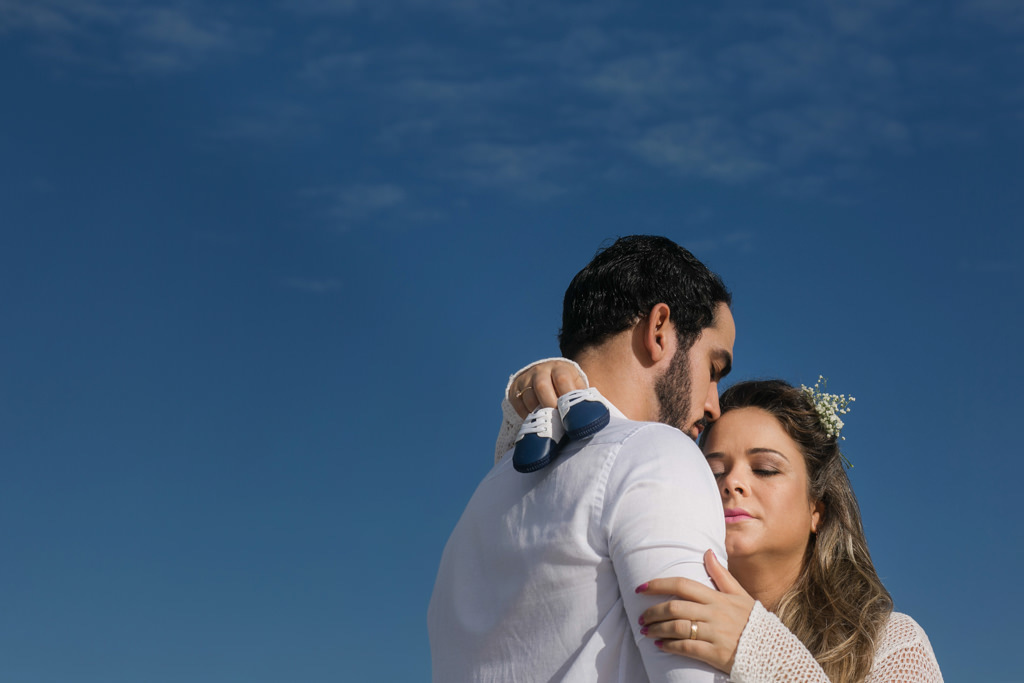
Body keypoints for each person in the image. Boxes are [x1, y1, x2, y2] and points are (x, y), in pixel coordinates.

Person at [428, 235, 737, 682]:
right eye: (714, 368)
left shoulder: (482, 503)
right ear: (659, 330)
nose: (714, 405)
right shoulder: (657, 455)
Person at [499, 372, 943, 682]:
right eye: (713, 471)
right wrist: (536, 393)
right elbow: (533, 533)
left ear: (817, 510)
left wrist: (757, 650)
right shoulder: (656, 607)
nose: (733, 483)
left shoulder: (889, 642)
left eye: (766, 469)